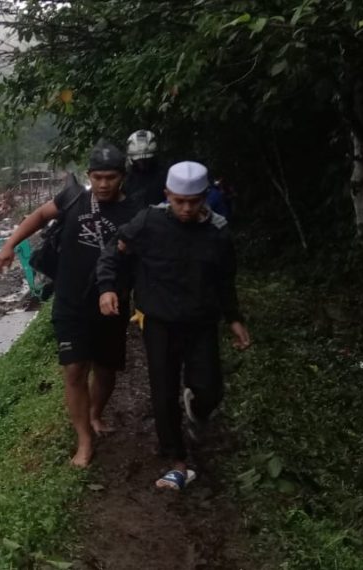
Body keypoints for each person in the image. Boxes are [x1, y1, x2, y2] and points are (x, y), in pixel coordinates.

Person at [97, 161, 251, 491]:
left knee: (210, 389)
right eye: (179, 200)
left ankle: (196, 409)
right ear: (168, 195)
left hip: (201, 323)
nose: (185, 208)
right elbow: (115, 251)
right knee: (162, 392)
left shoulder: (217, 232)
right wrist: (108, 286)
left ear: (205, 197)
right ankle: (177, 462)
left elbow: (225, 280)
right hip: (160, 323)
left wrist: (234, 318)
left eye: (193, 201)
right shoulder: (148, 223)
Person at [0, 140, 140, 467]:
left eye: (111, 178)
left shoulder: (135, 212)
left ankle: (94, 414)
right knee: (75, 368)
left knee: (105, 369)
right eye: (98, 177)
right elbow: (39, 215)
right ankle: (84, 439)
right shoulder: (73, 198)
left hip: (112, 303)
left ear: (122, 178)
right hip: (71, 300)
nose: (103, 184)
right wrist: (8, 246)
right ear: (89, 175)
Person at [124, 130, 168, 209]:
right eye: (139, 161)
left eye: (147, 160)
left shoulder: (165, 175)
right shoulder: (125, 178)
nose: (143, 164)